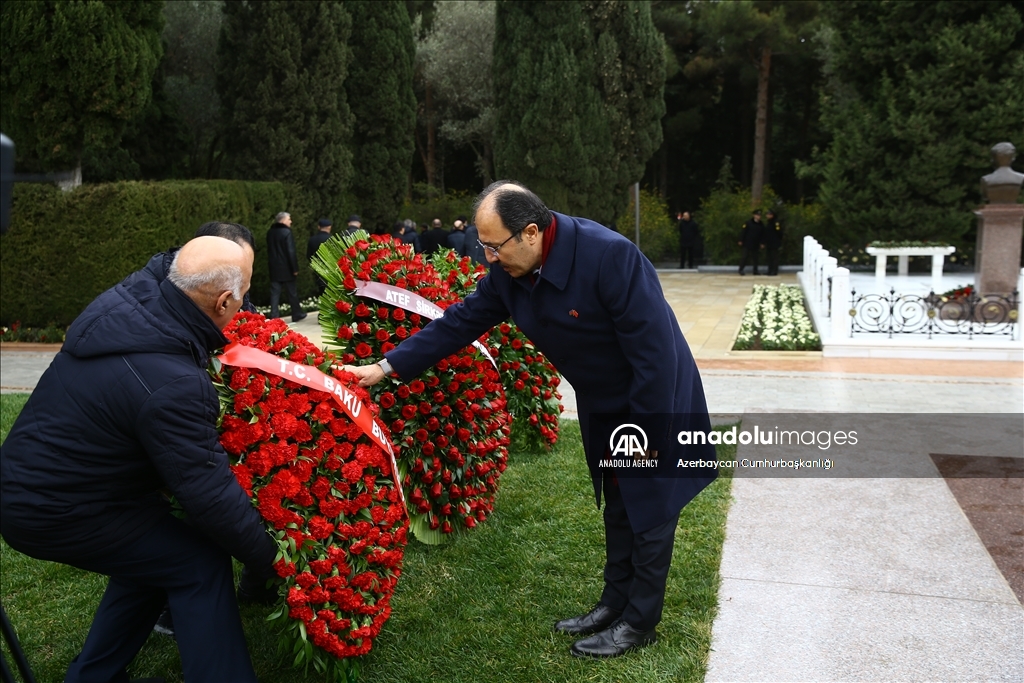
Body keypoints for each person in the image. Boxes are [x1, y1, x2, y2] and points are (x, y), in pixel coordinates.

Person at [343, 181, 717, 659]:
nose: (488, 258)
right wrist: (384, 367)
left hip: (654, 398)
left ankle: (639, 622)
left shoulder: (610, 256)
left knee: (650, 506)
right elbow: (460, 321)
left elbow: (656, 359)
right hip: (604, 402)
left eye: (494, 246)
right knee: (620, 503)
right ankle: (613, 604)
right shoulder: (509, 271)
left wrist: (645, 436)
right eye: (483, 246)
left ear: (532, 232)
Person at [0, 236, 278, 683]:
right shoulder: (175, 384)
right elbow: (209, 497)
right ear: (224, 301)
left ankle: (93, 676)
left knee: (157, 554)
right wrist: (273, 563)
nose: (244, 305)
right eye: (244, 294)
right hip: (54, 509)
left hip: (40, 484)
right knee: (198, 562)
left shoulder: (133, 301)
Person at [267, 211, 307, 322]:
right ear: (283, 220)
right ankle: (296, 313)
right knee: (292, 293)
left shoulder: (270, 232)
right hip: (286, 268)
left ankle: (274, 315)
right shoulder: (286, 232)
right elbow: (290, 251)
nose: (291, 221)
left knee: (275, 293)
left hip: (274, 267)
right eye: (289, 219)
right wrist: (295, 268)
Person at [307, 218, 334, 296]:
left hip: (318, 267)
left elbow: (309, 255)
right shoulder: (332, 239)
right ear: (329, 227)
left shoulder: (312, 239)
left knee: (321, 289)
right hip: (331, 268)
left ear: (319, 227)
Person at [738, 209, 765, 276]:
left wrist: (762, 243)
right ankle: (741, 269)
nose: (758, 216)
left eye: (759, 215)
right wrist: (740, 240)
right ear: (754, 215)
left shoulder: (761, 224)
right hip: (747, 243)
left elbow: (763, 234)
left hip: (756, 243)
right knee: (744, 257)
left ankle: (755, 271)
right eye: (757, 215)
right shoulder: (748, 223)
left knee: (755, 258)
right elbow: (743, 232)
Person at [763, 209, 783, 276]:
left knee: (774, 257)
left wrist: (777, 240)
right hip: (769, 243)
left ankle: (774, 271)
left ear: (772, 215)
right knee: (769, 258)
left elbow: (779, 232)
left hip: (774, 243)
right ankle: (770, 270)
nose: (767, 216)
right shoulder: (769, 222)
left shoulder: (776, 222)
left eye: (769, 214)